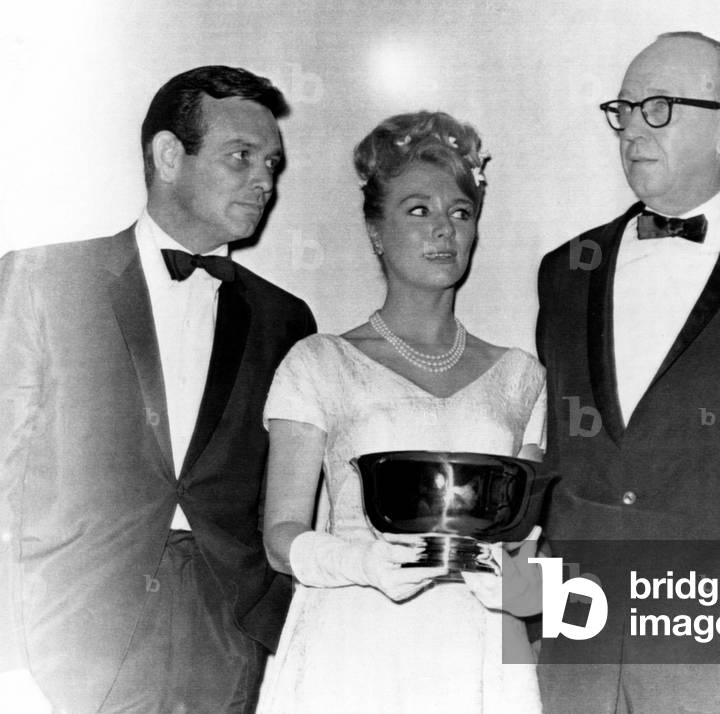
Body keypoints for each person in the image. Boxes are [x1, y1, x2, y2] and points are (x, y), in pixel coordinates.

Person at [0, 66, 316, 713]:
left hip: (226, 634)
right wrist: (10, 654)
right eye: (242, 157)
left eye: (273, 165)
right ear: (169, 155)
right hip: (73, 629)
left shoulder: (286, 319)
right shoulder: (40, 280)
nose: (266, 181)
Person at [535, 31, 720, 712]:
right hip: (577, 645)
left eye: (658, 107)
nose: (632, 128)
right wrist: (530, 619)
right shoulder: (563, 270)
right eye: (624, 109)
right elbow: (557, 468)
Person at [257, 111, 546, 714]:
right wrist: (362, 562)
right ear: (375, 231)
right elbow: (280, 538)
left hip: (479, 650)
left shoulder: (520, 376)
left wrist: (522, 591)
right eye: (418, 210)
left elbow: (521, 549)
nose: (444, 230)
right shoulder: (319, 363)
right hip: (353, 644)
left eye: (460, 213)